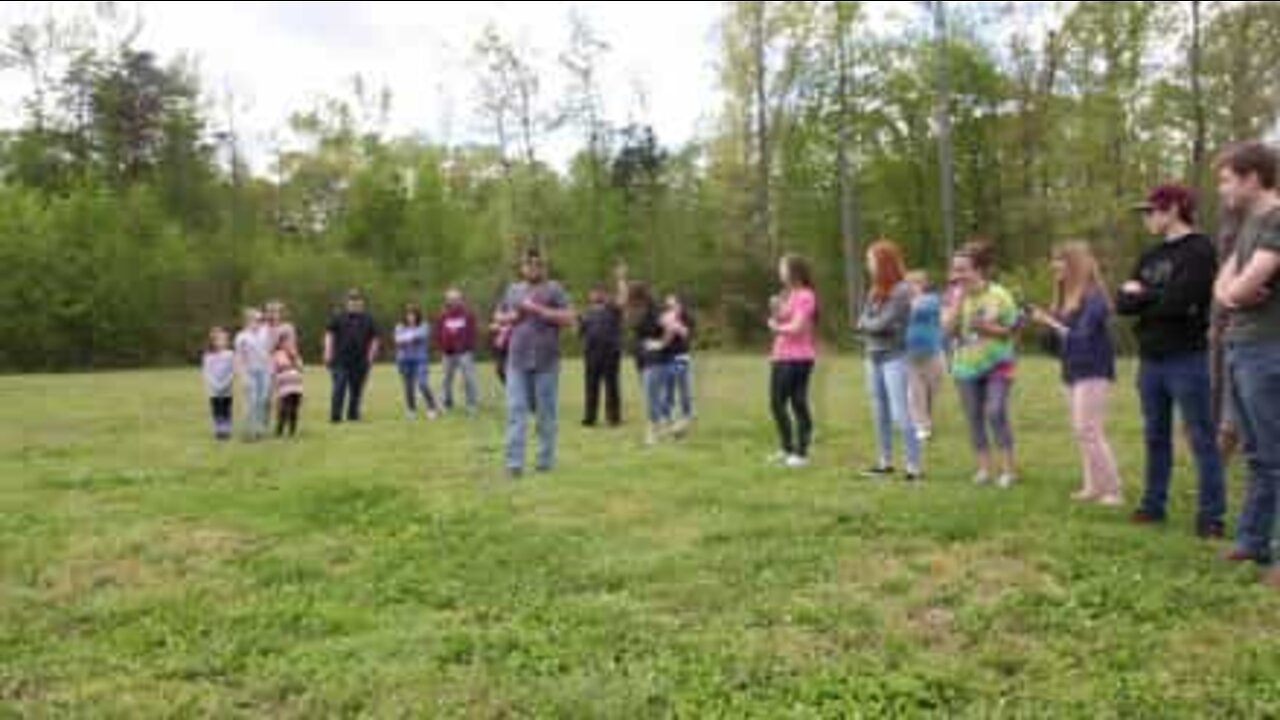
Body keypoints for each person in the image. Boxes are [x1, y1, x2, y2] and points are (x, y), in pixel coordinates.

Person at [1117, 184, 1226, 538]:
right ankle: (1153, 505)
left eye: (1152, 211)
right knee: (1155, 435)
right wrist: (1153, 298)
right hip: (1150, 360)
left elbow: (1182, 302)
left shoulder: (1200, 249)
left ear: (1175, 208)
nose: (1147, 218)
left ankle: (1211, 517)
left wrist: (1144, 296)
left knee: (1201, 437)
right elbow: (1122, 304)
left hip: (1187, 358)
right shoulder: (1149, 256)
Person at [1212, 141, 1280, 586]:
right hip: (1241, 345)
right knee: (1257, 454)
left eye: (1226, 179)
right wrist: (1231, 291)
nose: (1222, 189)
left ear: (1253, 177)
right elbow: (1224, 286)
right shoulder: (1247, 223)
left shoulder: (1276, 219)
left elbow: (1243, 286)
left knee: (1276, 454)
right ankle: (1252, 541)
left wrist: (1234, 291)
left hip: (1268, 349)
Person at [1028, 242, 1123, 506]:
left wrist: (1049, 322)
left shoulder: (1094, 297)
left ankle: (1114, 489)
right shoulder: (1064, 297)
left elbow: (1082, 338)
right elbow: (1060, 342)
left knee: (1088, 428)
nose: (1053, 265)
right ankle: (1092, 487)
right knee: (1082, 431)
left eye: (1059, 259)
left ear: (1075, 264)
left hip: (1093, 369)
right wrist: (1044, 323)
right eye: (1053, 259)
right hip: (1071, 370)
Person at [943, 240, 1020, 489]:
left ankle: (1009, 470)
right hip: (965, 366)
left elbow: (1015, 329)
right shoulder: (953, 296)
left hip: (998, 362)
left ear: (978, 270)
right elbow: (946, 330)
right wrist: (958, 301)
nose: (957, 275)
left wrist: (989, 328)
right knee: (974, 417)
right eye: (955, 269)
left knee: (995, 411)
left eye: (963, 269)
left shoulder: (999, 295)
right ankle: (984, 469)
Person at [495, 248, 575, 477]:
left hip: (546, 361)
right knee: (515, 411)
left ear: (543, 267)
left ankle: (544, 461)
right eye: (528, 264)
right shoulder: (513, 290)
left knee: (545, 414)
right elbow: (498, 316)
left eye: (537, 264)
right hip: (517, 360)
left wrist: (538, 309)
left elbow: (570, 317)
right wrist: (512, 317)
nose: (532, 267)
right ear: (522, 267)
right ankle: (514, 464)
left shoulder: (554, 289)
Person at [857, 240, 922, 481]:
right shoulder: (875, 289)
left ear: (883, 262)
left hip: (895, 356)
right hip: (872, 356)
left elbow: (882, 322)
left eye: (870, 260)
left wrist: (868, 326)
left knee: (899, 412)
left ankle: (913, 466)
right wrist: (868, 325)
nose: (868, 265)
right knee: (878, 411)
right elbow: (861, 318)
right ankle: (884, 463)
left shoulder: (902, 290)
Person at [768, 254, 819, 468]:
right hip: (781, 356)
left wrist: (776, 327)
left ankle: (801, 453)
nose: (780, 271)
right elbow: (783, 317)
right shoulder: (790, 294)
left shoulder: (806, 295)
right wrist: (775, 309)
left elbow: (797, 327)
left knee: (797, 403)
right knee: (777, 403)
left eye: (782, 267)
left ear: (793, 271)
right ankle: (787, 448)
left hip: (798, 358)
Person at [627, 282, 675, 446]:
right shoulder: (636, 311)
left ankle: (652, 431)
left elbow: (670, 328)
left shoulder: (655, 310)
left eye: (631, 297)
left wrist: (661, 344)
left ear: (639, 296)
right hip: (640, 358)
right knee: (651, 395)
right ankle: (667, 423)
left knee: (650, 397)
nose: (629, 301)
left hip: (656, 359)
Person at [324, 289, 380, 424]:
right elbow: (329, 335)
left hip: (360, 360)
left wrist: (371, 355)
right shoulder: (338, 317)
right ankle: (335, 416)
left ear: (362, 302)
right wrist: (327, 352)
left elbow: (375, 338)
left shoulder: (368, 318)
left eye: (357, 300)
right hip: (340, 360)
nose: (354, 303)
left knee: (356, 389)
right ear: (347, 302)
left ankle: (353, 414)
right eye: (351, 300)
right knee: (340, 385)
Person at [904, 271, 946, 442]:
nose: (910, 287)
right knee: (915, 391)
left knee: (931, 390)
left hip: (932, 353)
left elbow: (918, 309)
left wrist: (907, 303)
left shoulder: (931, 299)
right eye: (908, 284)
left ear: (922, 284)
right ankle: (922, 426)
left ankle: (924, 419)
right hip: (910, 354)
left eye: (914, 283)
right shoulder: (904, 302)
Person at [579, 284, 624, 428]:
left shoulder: (613, 309)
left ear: (604, 295)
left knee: (612, 386)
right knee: (591, 386)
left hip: (610, 353)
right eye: (593, 293)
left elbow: (622, 300)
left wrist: (621, 280)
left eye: (599, 293)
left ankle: (613, 418)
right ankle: (589, 418)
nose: (596, 295)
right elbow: (581, 332)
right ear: (590, 296)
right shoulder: (585, 313)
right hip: (591, 354)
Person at [394, 304, 440, 420]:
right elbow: (398, 340)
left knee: (422, 383)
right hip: (404, 360)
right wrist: (408, 338)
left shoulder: (424, 325)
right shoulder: (399, 326)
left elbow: (421, 336)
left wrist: (408, 337)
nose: (410, 317)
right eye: (408, 315)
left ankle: (432, 407)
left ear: (417, 315)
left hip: (420, 360)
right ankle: (411, 409)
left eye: (413, 315)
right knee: (408, 386)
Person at [438, 288, 480, 414]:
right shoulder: (443, 315)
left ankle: (471, 404)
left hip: (464, 353)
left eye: (455, 299)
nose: (453, 301)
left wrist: (468, 346)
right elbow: (438, 332)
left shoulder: (468, 314)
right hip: (448, 353)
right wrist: (442, 346)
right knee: (446, 379)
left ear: (461, 300)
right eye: (450, 299)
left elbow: (473, 332)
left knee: (469, 378)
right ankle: (447, 403)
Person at [234, 308, 273, 442]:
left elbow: (268, 351)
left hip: (265, 371)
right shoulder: (241, 336)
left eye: (260, 319)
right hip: (250, 371)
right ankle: (249, 431)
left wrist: (270, 369)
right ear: (248, 321)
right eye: (256, 319)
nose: (259, 322)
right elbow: (239, 357)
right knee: (252, 401)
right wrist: (242, 375)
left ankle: (260, 430)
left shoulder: (265, 332)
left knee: (263, 400)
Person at [661, 293, 696, 437]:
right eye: (668, 305)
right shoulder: (663, 317)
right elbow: (662, 338)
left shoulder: (687, 318)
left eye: (673, 304)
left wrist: (674, 323)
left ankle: (686, 416)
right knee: (667, 391)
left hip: (681, 358)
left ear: (680, 305)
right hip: (666, 358)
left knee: (684, 391)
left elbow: (686, 333)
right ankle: (667, 418)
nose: (670, 307)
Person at [202, 327, 235, 441]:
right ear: (213, 341)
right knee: (217, 410)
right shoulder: (208, 356)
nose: (223, 342)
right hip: (214, 390)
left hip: (227, 389)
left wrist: (226, 383)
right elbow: (207, 372)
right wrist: (215, 385)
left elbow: (232, 371)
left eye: (225, 340)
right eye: (219, 340)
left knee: (226, 410)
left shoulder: (230, 354)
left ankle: (226, 430)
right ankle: (218, 430)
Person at [272, 332, 304, 438]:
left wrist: (294, 358)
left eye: (290, 342)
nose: (288, 344)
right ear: (281, 343)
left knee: (294, 408)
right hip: (285, 386)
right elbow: (282, 365)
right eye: (286, 342)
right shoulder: (278, 354)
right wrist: (292, 362)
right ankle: (279, 429)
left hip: (296, 386)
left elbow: (300, 367)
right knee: (285, 408)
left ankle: (292, 430)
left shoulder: (295, 354)